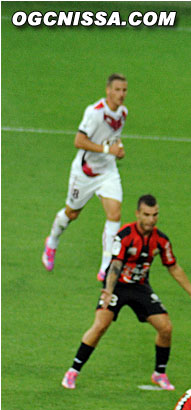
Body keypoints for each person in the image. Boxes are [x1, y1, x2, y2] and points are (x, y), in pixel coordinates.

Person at [61, 195, 191, 390]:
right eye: (147, 215)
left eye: (155, 215)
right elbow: (116, 264)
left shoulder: (161, 240)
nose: (151, 219)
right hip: (117, 286)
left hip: (140, 287)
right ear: (138, 214)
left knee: (166, 327)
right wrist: (108, 291)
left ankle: (159, 374)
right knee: (100, 326)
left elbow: (173, 266)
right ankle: (73, 371)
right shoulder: (125, 235)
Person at [43, 73, 129, 281]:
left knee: (114, 214)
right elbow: (79, 141)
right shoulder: (95, 112)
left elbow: (114, 138)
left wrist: (118, 149)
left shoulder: (123, 113)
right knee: (72, 213)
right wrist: (109, 150)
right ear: (108, 90)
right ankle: (52, 241)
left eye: (124, 90)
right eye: (117, 90)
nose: (121, 94)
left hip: (107, 171)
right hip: (85, 172)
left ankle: (106, 266)